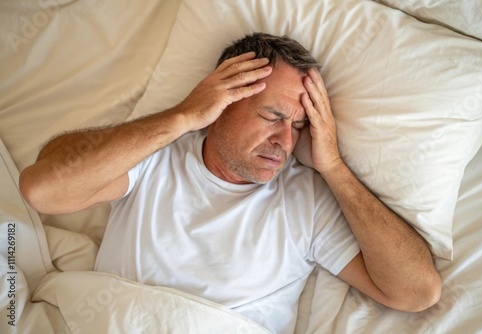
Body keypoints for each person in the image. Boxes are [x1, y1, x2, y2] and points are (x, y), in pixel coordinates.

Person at [20, 33, 441, 332]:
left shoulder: (306, 198)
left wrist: (332, 166)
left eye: (298, 126)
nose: (285, 141)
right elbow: (43, 190)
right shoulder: (154, 157)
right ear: (224, 101)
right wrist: (183, 115)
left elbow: (415, 293)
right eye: (273, 117)